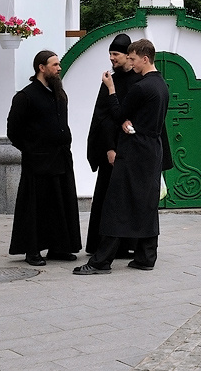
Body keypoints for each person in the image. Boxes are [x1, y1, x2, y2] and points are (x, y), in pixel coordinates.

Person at [75, 39, 169, 275]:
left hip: (134, 151)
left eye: (133, 58)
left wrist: (111, 89)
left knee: (116, 205)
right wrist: (131, 122)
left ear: (145, 59)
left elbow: (117, 114)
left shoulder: (141, 87)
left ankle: (101, 262)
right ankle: (146, 257)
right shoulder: (161, 84)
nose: (131, 62)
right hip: (152, 149)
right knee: (147, 204)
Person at [7, 50, 82, 267]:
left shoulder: (59, 93)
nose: (59, 68)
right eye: (55, 65)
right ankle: (33, 250)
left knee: (60, 204)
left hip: (61, 158)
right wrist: (31, 150)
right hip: (38, 161)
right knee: (37, 207)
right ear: (42, 67)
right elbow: (13, 131)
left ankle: (59, 247)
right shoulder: (25, 97)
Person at [84, 34, 141, 256]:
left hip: (132, 149)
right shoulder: (110, 81)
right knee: (107, 197)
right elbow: (102, 118)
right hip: (112, 152)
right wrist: (109, 147)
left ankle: (129, 244)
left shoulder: (139, 80)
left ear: (128, 55)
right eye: (110, 54)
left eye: (115, 54)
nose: (111, 58)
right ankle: (102, 244)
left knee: (129, 198)